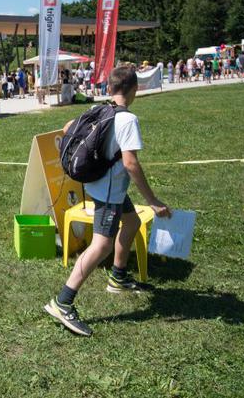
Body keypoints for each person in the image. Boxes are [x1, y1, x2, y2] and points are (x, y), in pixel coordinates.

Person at [44, 65, 172, 337]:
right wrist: (153, 200)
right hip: (109, 192)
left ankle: (118, 276)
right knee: (100, 245)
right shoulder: (127, 120)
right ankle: (63, 301)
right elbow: (131, 163)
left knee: (132, 221)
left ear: (110, 88)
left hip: (98, 184)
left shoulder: (97, 109)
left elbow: (67, 128)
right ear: (134, 89)